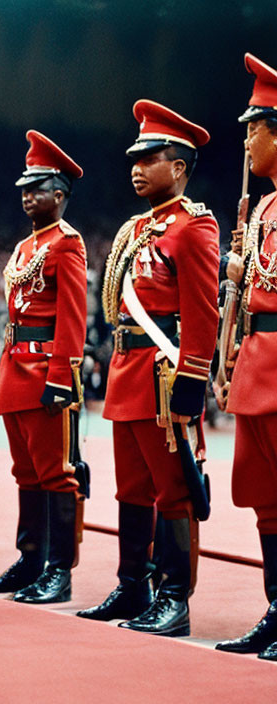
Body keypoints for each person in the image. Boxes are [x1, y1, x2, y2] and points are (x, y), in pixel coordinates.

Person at [76, 100, 219, 636]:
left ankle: (174, 597)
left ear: (179, 166)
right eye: (134, 156)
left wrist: (192, 380)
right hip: (128, 368)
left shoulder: (193, 227)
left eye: (150, 156)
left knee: (173, 489)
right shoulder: (138, 226)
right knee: (130, 489)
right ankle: (133, 584)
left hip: (164, 376)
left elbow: (202, 311)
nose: (136, 166)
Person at [0, 131, 87, 603]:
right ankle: (30, 557)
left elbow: (72, 317)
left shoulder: (66, 244)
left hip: (45, 370)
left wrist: (61, 375)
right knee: (26, 471)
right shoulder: (24, 247)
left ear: (59, 194)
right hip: (17, 369)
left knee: (56, 472)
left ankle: (58, 570)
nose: (26, 194)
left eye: (36, 187)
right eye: (24, 187)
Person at [214, 53, 277, 661]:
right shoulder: (260, 208)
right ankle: (276, 607)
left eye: (254, 128)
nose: (247, 141)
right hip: (258, 360)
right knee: (266, 495)